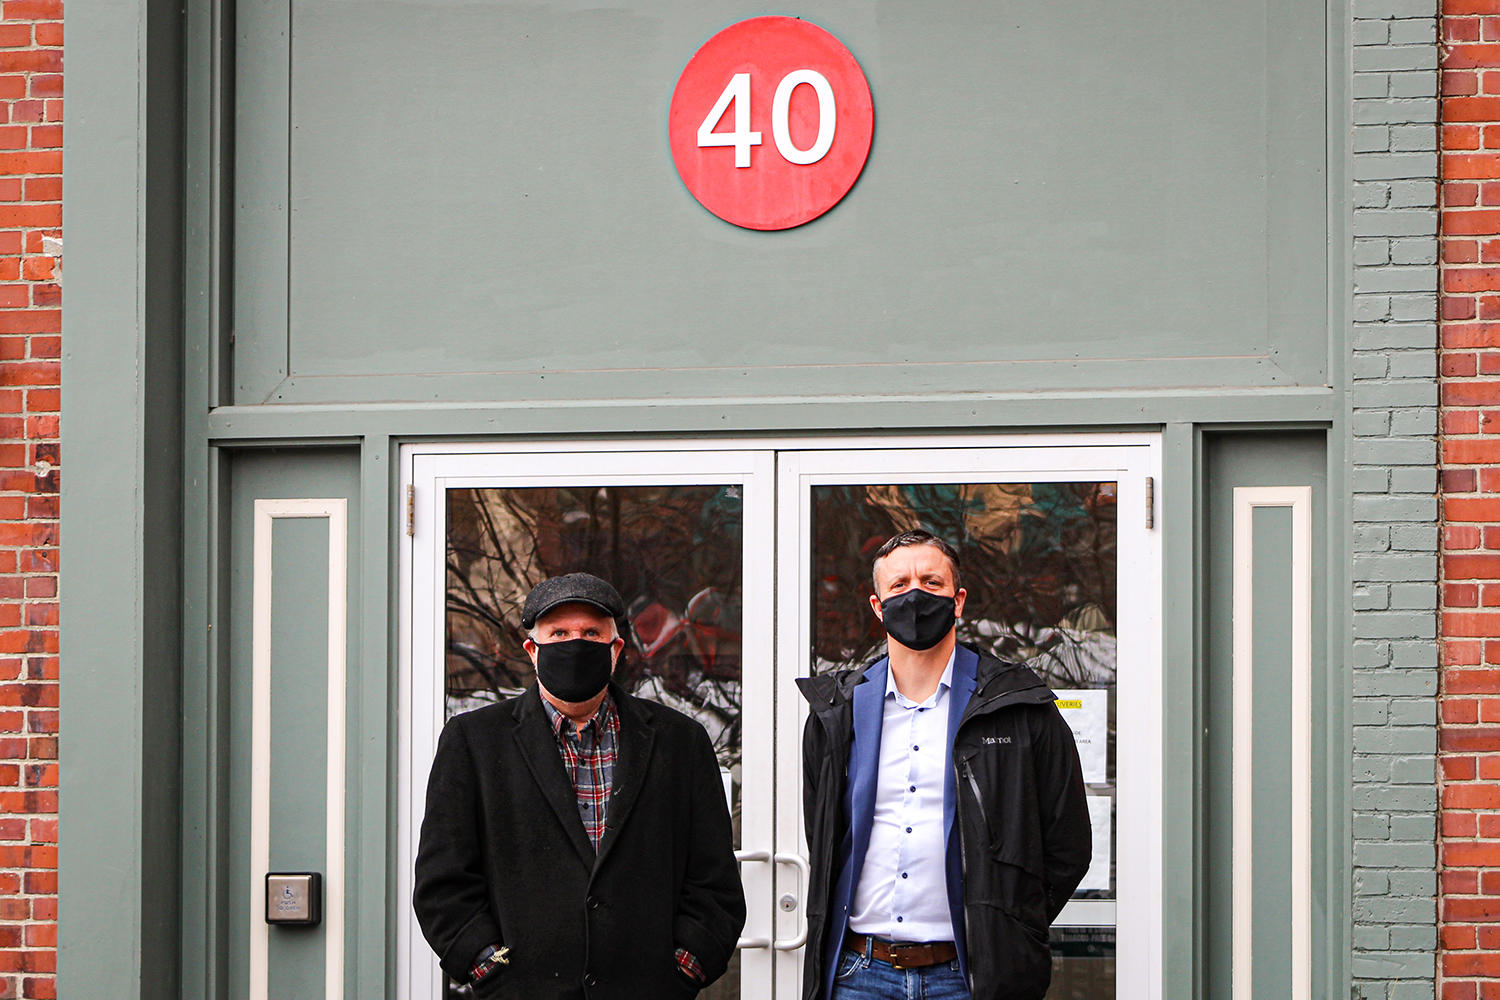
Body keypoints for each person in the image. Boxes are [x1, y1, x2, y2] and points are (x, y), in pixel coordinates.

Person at [414, 572, 746, 999]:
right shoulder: (473, 742)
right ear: (532, 650)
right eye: (559, 633)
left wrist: (683, 972)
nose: (575, 643)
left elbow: (713, 881)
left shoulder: (680, 742)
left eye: (591, 633)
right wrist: (489, 971)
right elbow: (444, 884)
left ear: (616, 650)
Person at [797, 530, 1091, 1000]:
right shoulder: (838, 712)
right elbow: (827, 836)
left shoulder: (1018, 706)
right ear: (877, 606)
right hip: (858, 975)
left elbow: (1068, 846)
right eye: (900, 585)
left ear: (958, 601)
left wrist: (1008, 928)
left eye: (931, 583)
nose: (915, 594)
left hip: (971, 978)